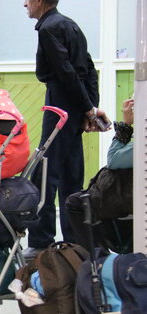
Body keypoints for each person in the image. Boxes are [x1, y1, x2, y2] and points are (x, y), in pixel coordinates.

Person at [21, 0, 111, 260]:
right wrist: (90, 108)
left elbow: (65, 72)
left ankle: (40, 241)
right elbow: (88, 69)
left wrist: (88, 111)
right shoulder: (70, 25)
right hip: (75, 104)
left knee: (45, 172)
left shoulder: (49, 28)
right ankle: (75, 241)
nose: (24, 3)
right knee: (71, 173)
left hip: (60, 101)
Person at [66, 98, 135, 253]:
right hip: (130, 205)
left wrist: (126, 124)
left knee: (76, 204)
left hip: (129, 208)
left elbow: (114, 159)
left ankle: (99, 261)